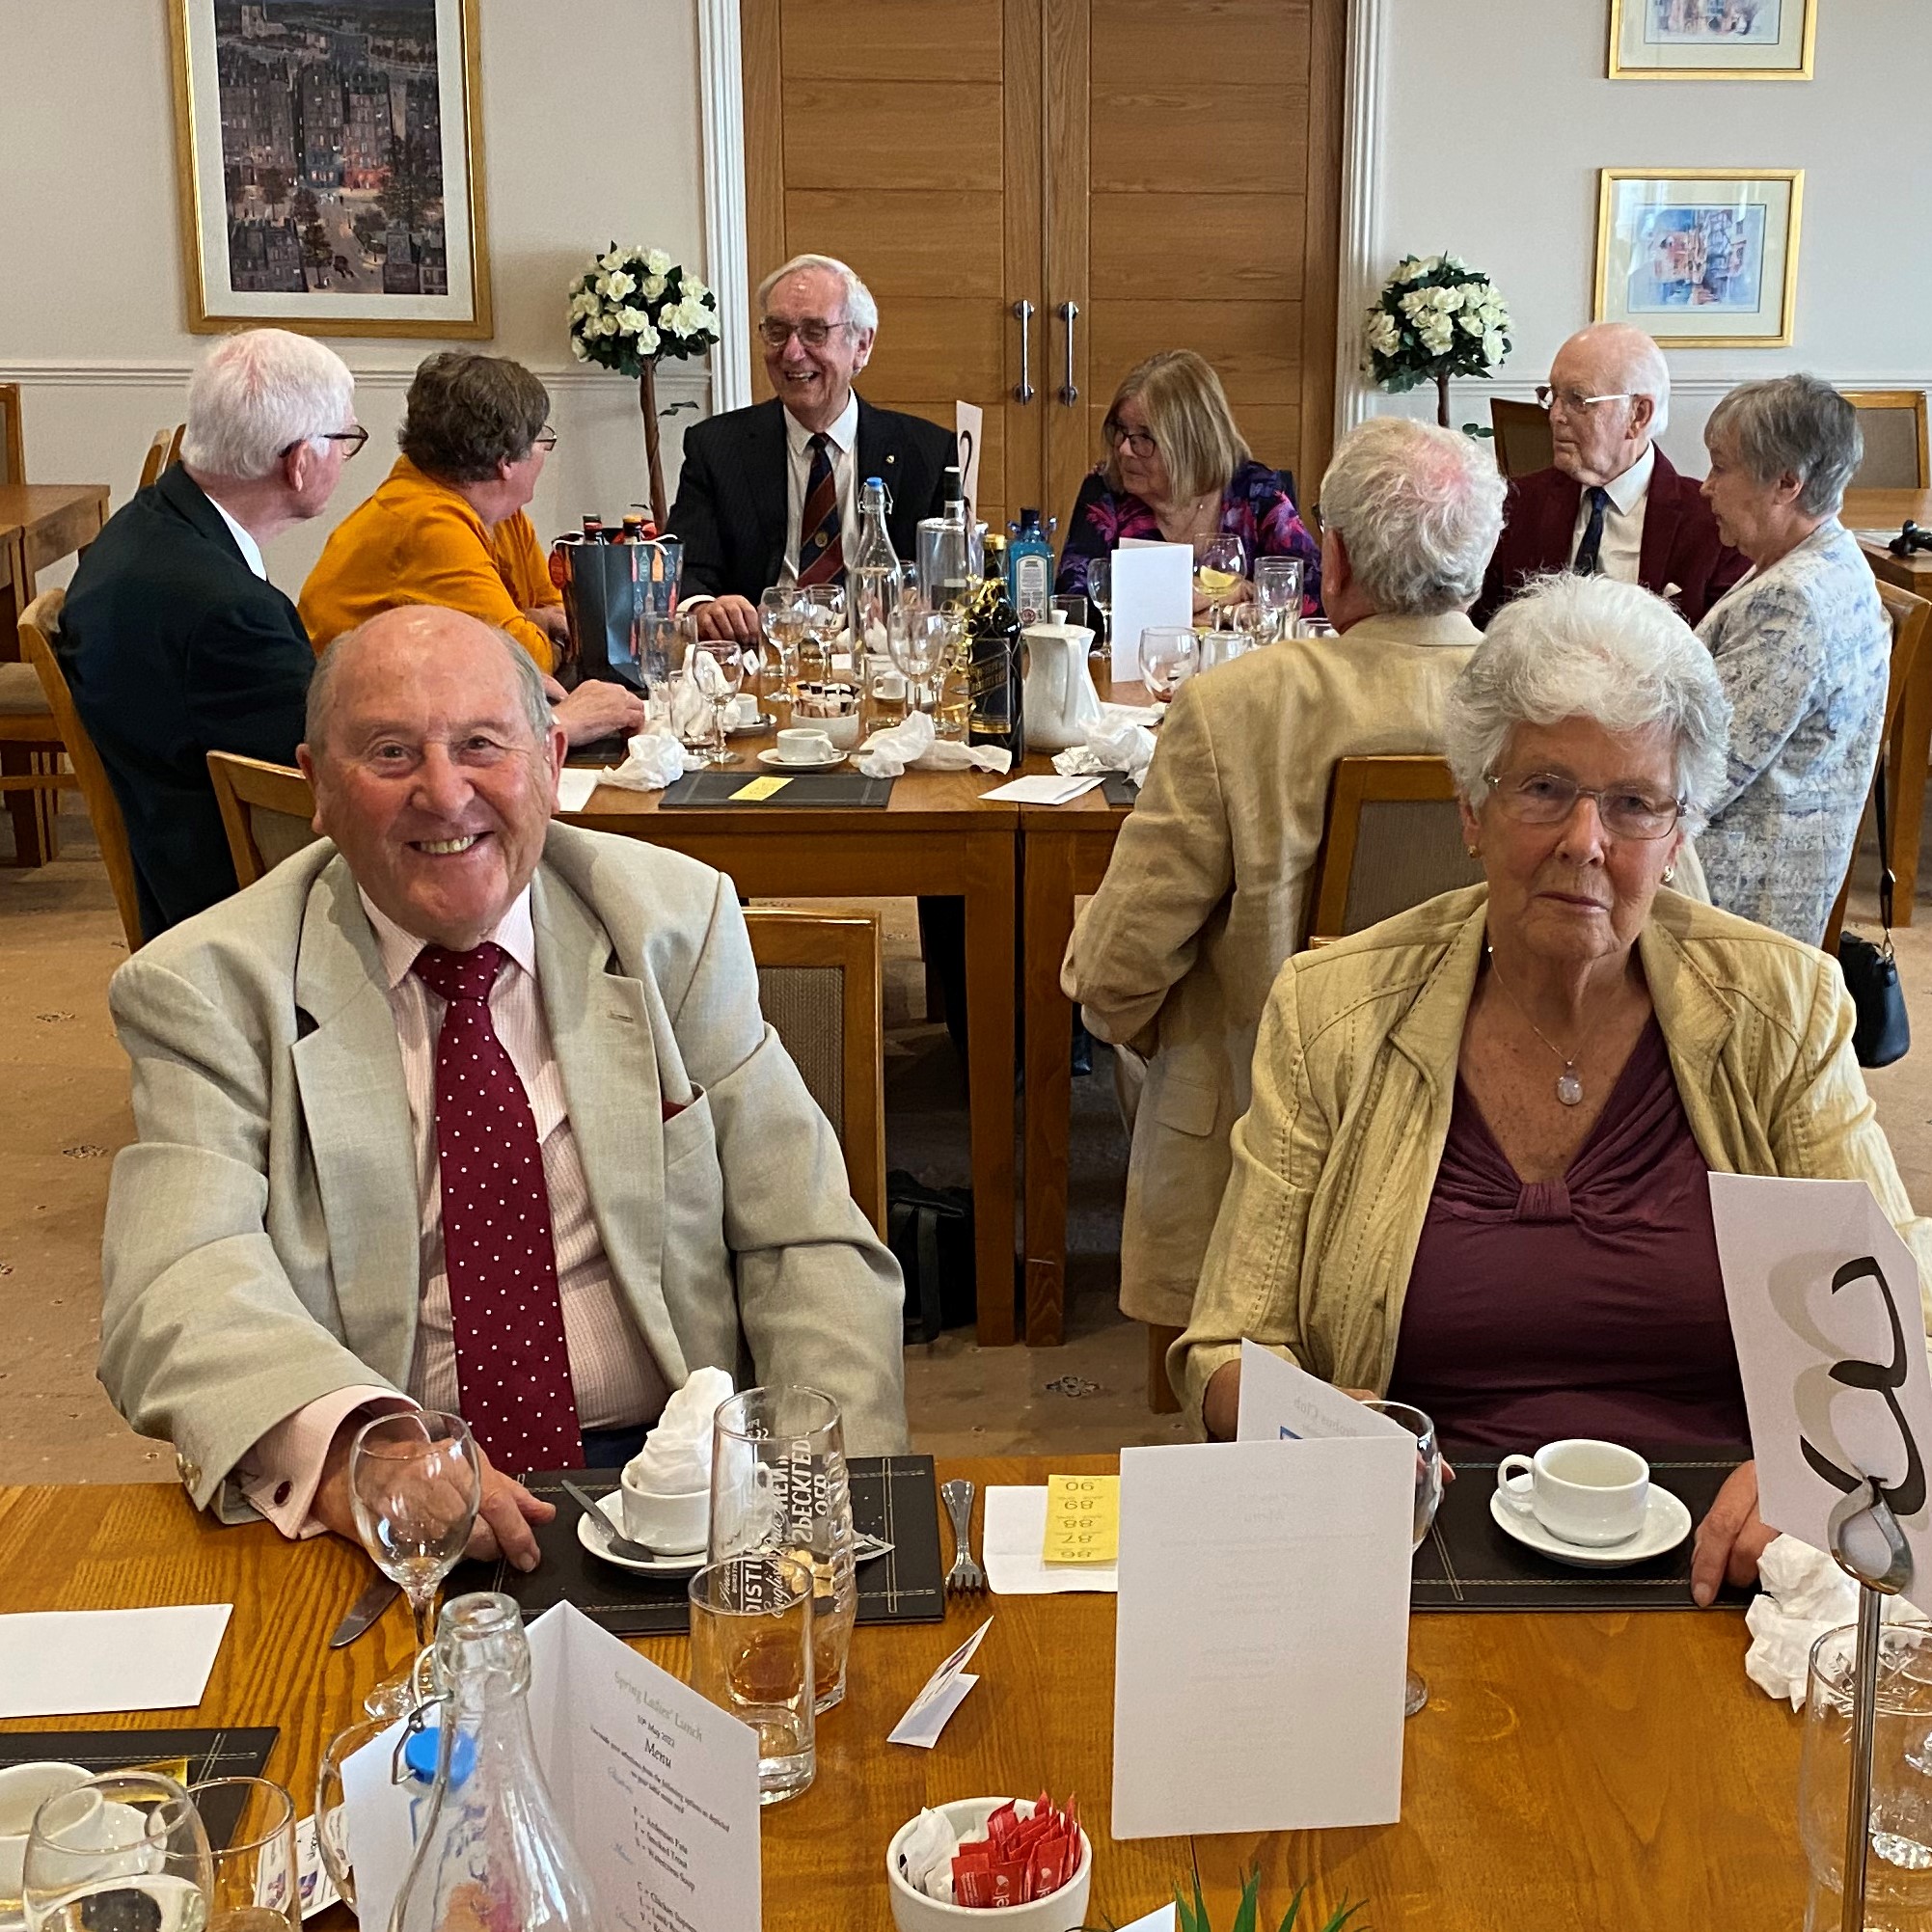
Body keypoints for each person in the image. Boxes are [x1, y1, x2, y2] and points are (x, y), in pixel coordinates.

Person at [1176, 573, 1932, 1606]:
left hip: (1723, 1569)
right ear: (1471, 809)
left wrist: (1817, 1468)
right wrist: (1319, 1427)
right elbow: (1226, 1345)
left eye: (1632, 803)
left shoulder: (1777, 1010)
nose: (1585, 840)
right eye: (1543, 788)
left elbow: (1893, 1321)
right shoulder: (1335, 1011)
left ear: (1676, 834)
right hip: (1420, 1559)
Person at [96, 606, 909, 1567]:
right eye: (391, 753)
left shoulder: (672, 923)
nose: (445, 794)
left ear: (551, 762)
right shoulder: (208, 986)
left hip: (673, 1483)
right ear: (317, 786)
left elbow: (805, 1237)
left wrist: (817, 1499)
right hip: (379, 1507)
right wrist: (359, 1450)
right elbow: (177, 1279)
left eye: (482, 744)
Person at [1063, 418, 1503, 1348]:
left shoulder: (1236, 706)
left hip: (1255, 1152)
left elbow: (1112, 971)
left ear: (1330, 560)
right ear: (1478, 563)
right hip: (1490, 1131)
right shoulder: (1552, 709)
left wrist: (1168, 1033)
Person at [58, 329, 362, 939]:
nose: (344, 457)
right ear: (300, 462)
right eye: (345, 440)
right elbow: (331, 769)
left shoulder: (149, 523)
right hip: (235, 900)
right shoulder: (229, 614)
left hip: (172, 840)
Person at [299, 352, 645, 748]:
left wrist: (535, 623)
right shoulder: (425, 522)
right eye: (542, 439)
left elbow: (561, 613)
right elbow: (525, 664)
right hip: (364, 745)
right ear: (506, 461)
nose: (545, 452)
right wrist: (540, 628)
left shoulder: (502, 513)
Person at [667, 255, 959, 643]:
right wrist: (708, 608)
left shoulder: (928, 452)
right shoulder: (717, 447)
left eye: (814, 332)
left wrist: (919, 603)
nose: (791, 353)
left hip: (879, 659)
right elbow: (686, 570)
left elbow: (948, 586)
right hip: (762, 658)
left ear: (862, 345)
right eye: (777, 331)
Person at [1695, 375, 1891, 945]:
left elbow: (1705, 775)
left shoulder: (1794, 602)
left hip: (1737, 894)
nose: (1706, 487)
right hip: (1757, 861)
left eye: (1720, 467)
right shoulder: (1828, 557)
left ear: (1787, 483)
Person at [1472, 323, 1745, 628]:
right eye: (1552, 395)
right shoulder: (1516, 505)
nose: (1555, 415)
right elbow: (1481, 627)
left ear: (1638, 415)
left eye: (1578, 399)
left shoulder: (1714, 524)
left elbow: (1720, 645)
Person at [1053, 350, 1320, 616]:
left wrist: (1231, 605)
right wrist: (1205, 597)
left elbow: (1314, 592)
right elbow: (1075, 603)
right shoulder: (1105, 492)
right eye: (1121, 430)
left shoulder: (1256, 492)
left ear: (1190, 445)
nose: (1124, 448)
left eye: (1144, 437)